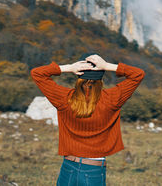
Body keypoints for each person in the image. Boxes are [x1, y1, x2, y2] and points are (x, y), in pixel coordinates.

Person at [30, 53, 145, 185]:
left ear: (79, 75)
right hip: (93, 168)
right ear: (101, 78)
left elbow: (37, 73)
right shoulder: (111, 99)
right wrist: (107, 65)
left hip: (68, 166)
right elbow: (138, 74)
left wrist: (69, 67)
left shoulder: (64, 98)